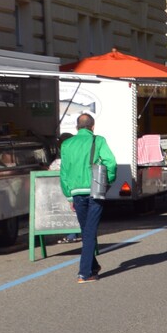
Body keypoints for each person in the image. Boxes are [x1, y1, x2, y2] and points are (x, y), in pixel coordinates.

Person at [59, 113, 117, 283]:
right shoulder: (98, 140)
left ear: (77, 127)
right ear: (92, 127)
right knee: (90, 232)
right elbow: (111, 162)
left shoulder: (67, 144)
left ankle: (93, 266)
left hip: (76, 192)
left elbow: (63, 172)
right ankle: (84, 273)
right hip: (95, 189)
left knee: (86, 231)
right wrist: (109, 180)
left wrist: (69, 195)